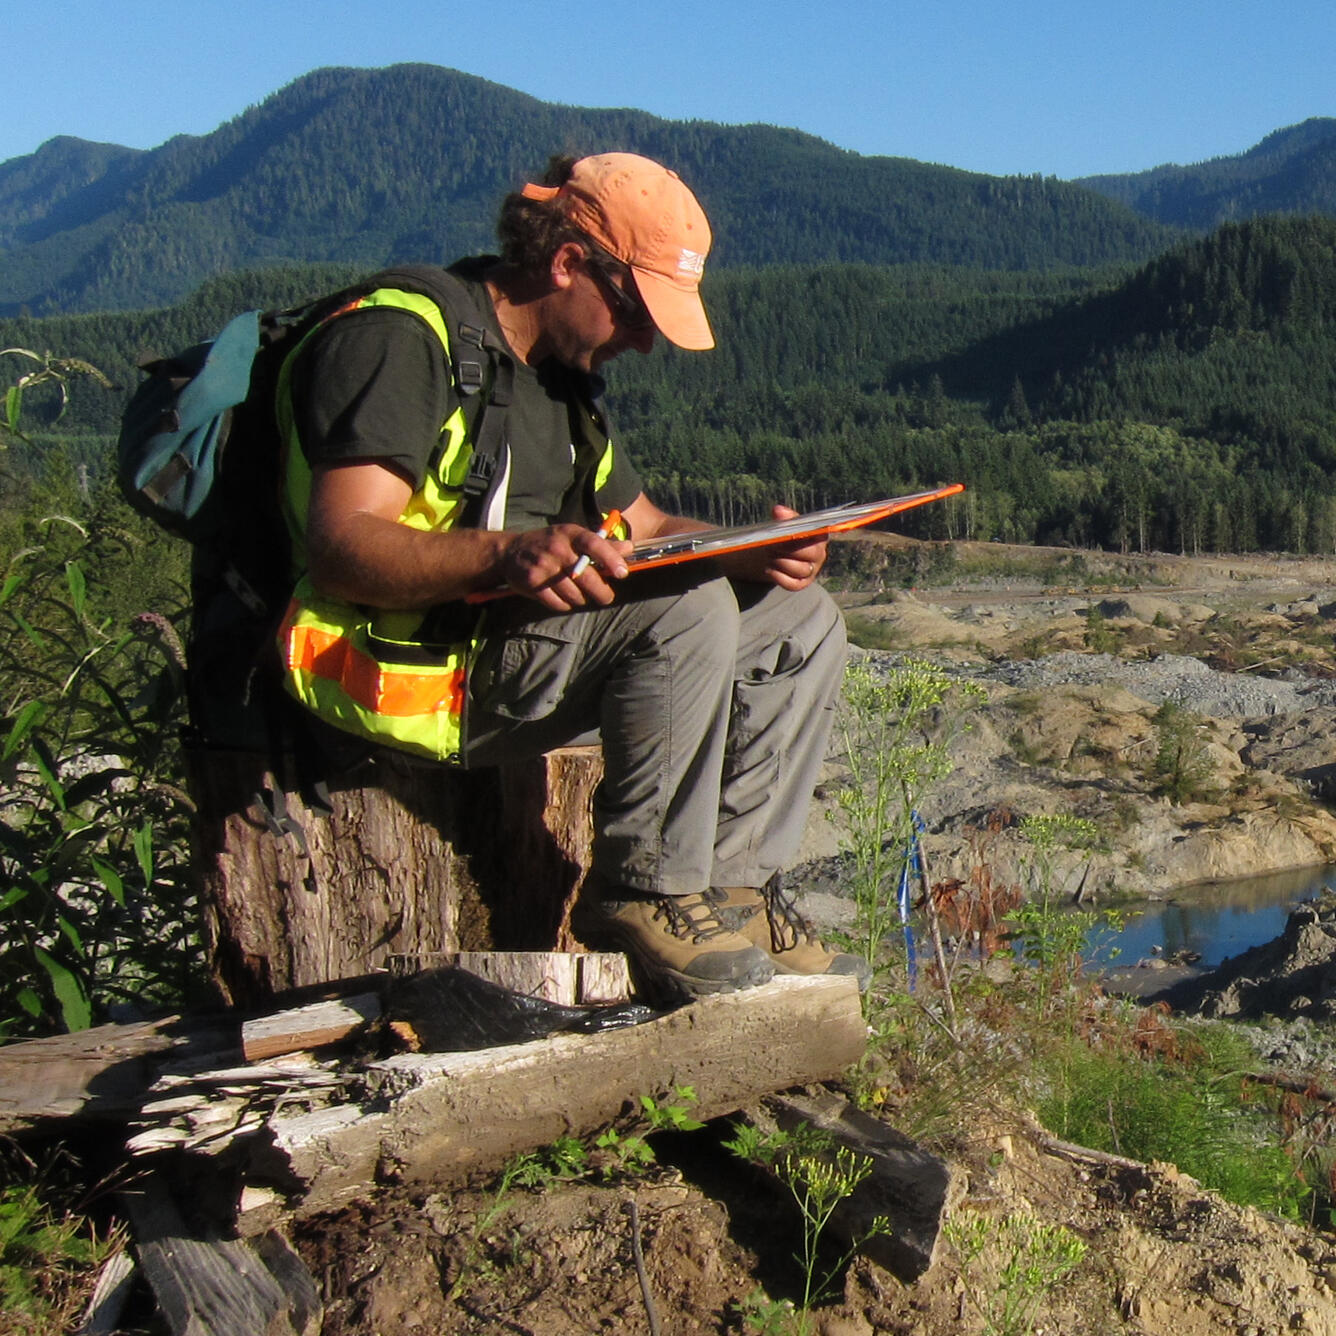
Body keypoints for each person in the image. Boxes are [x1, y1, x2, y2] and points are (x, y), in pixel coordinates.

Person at [274, 151, 869, 1000]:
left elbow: (652, 529)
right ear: (566, 263)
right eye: (634, 312)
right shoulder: (401, 339)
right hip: (403, 674)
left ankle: (733, 894)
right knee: (687, 608)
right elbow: (341, 544)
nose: (641, 340)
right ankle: (642, 890)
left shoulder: (558, 381)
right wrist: (506, 557)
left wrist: (753, 549)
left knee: (800, 623)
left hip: (508, 659)